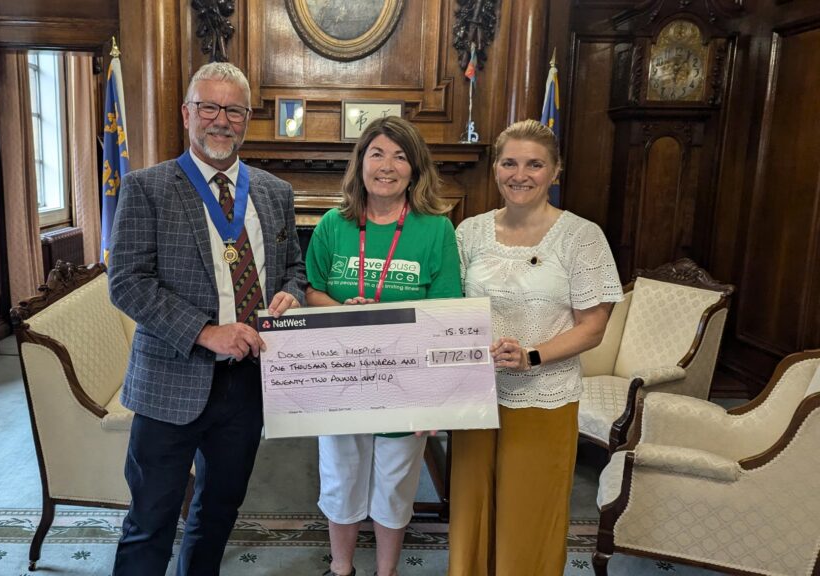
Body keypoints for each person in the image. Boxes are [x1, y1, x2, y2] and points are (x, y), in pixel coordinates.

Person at [108, 62, 306, 576]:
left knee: (218, 513)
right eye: (209, 107)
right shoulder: (146, 187)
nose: (221, 120)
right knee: (150, 520)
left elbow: (293, 267)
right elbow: (127, 281)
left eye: (233, 110)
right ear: (187, 113)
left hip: (247, 385)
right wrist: (204, 331)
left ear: (247, 118)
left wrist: (290, 295)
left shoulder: (274, 192)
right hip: (170, 384)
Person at [449, 119, 623, 575]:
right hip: (474, 396)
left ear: (555, 172)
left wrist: (531, 356)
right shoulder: (468, 232)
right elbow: (448, 308)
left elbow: (593, 326)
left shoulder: (582, 236)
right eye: (509, 162)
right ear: (495, 168)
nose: (519, 174)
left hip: (543, 395)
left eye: (534, 164)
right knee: (472, 507)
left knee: (530, 509)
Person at [304, 116, 462, 576]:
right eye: (377, 153)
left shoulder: (436, 231)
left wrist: (435, 398)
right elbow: (312, 290)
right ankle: (341, 568)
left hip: (405, 383)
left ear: (415, 168)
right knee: (340, 479)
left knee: (394, 484)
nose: (387, 165)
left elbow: (446, 315)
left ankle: (385, 572)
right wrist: (340, 307)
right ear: (361, 163)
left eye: (400, 155)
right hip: (341, 381)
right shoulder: (333, 224)